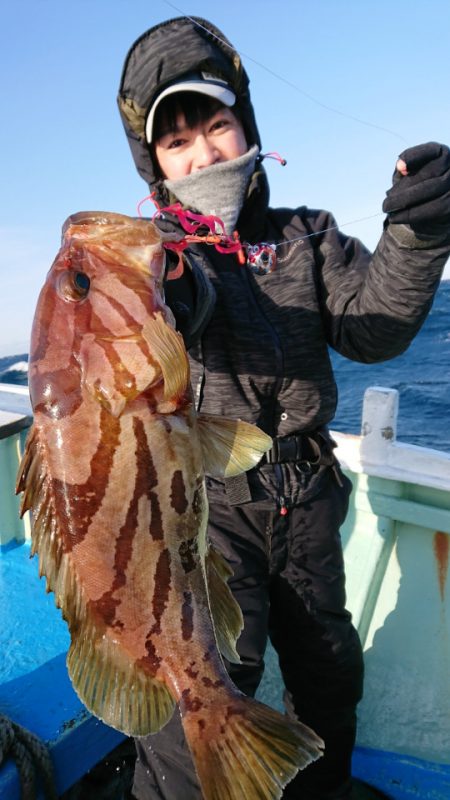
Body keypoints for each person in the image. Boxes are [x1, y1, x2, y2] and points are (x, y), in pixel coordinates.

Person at [117, 15, 450, 800]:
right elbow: (182, 305)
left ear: (248, 129)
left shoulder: (308, 237)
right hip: (208, 514)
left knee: (329, 669)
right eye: (178, 141)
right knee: (198, 686)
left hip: (308, 502)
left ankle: (320, 785)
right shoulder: (156, 257)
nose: (204, 153)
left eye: (219, 125)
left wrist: (418, 235)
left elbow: (372, 327)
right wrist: (164, 286)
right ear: (155, 163)